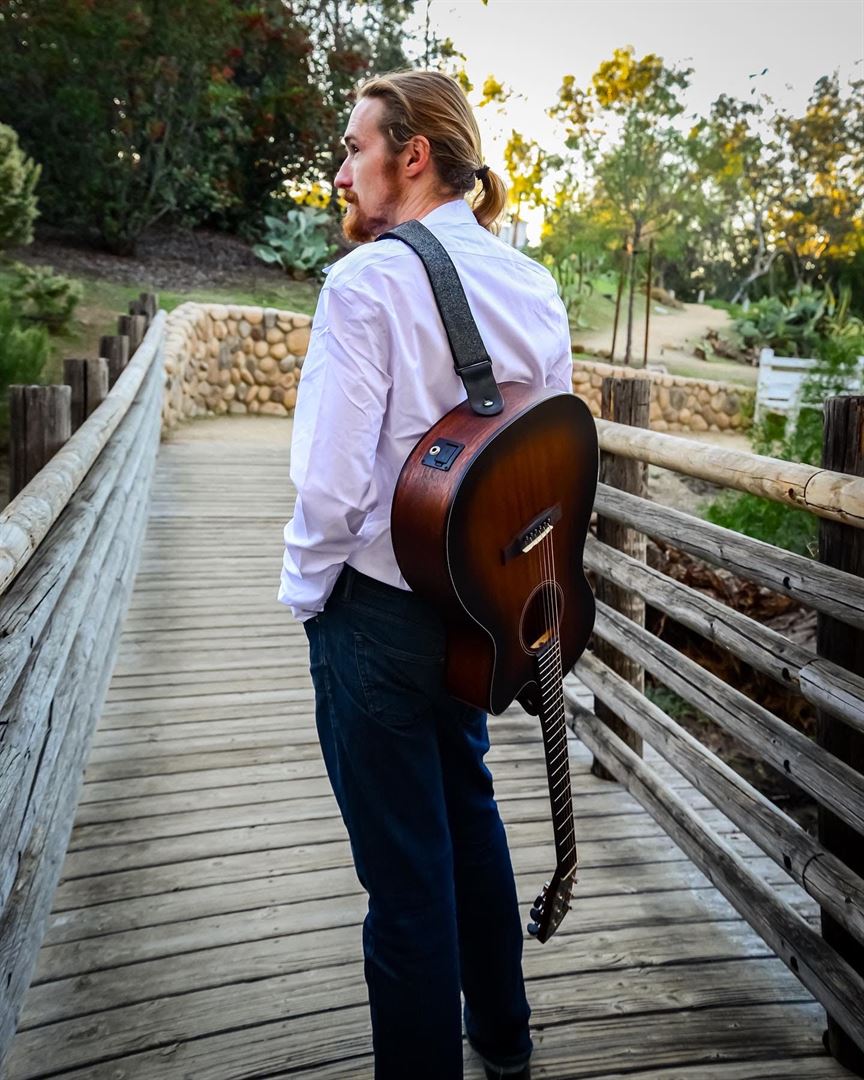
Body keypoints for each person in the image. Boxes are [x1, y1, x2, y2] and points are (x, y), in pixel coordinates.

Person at [277, 70, 573, 1080]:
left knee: (405, 881)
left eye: (355, 147)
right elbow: (544, 462)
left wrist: (306, 595)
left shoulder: (365, 284)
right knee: (469, 818)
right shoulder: (532, 284)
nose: (342, 171)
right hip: (478, 610)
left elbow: (329, 489)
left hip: (375, 613)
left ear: (412, 155)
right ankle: (506, 1042)